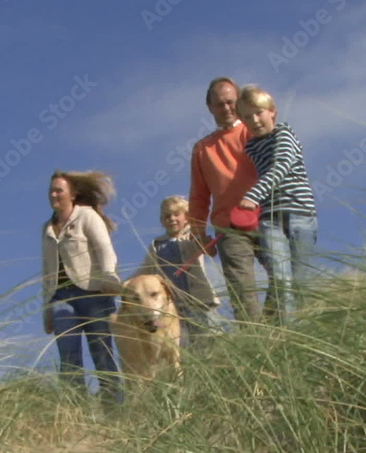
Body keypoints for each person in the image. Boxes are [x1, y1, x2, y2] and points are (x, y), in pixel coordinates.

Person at [188, 76, 270, 323]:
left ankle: (277, 328)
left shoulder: (255, 131)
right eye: (220, 104)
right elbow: (199, 196)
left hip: (267, 218)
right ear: (210, 108)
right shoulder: (203, 149)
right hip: (230, 229)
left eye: (230, 102)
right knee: (243, 296)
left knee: (286, 279)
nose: (226, 108)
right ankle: (256, 344)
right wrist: (199, 234)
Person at [235, 85, 318, 322]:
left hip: (299, 213)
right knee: (281, 281)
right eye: (247, 117)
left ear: (272, 111)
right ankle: (290, 336)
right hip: (270, 219)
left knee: (300, 280)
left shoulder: (284, 132)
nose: (255, 120)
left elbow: (281, 166)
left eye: (259, 113)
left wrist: (253, 195)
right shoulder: (251, 147)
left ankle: (305, 331)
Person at [41, 170, 124, 404]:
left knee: (102, 353)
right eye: (51, 191)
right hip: (61, 298)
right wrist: (46, 308)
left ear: (73, 194)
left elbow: (104, 249)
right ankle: (76, 413)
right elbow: (47, 272)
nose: (54, 195)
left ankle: (114, 410)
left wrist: (109, 277)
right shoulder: (47, 229)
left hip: (94, 294)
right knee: (68, 357)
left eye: (59, 190)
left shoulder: (86, 216)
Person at [135, 195, 220, 344]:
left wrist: (203, 238)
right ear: (162, 221)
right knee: (182, 342)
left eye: (176, 214)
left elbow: (208, 250)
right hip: (174, 305)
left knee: (209, 337)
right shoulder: (157, 245)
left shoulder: (192, 236)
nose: (172, 219)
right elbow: (145, 269)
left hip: (199, 300)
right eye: (167, 216)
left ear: (186, 217)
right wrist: (127, 284)